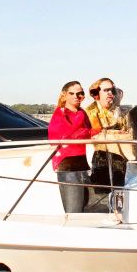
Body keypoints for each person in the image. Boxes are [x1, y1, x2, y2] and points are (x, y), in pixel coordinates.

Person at [46, 81, 93, 213]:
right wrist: (87, 133)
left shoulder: (82, 112)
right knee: (74, 210)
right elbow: (57, 138)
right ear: (64, 95)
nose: (76, 96)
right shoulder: (60, 113)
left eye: (79, 94)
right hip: (68, 165)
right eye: (72, 93)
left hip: (83, 163)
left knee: (84, 208)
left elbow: (88, 132)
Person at [83, 77, 129, 212]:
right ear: (97, 93)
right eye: (106, 90)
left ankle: (119, 215)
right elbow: (97, 134)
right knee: (100, 197)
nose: (110, 93)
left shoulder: (120, 111)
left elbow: (127, 131)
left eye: (112, 90)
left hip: (120, 157)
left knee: (120, 195)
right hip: (100, 156)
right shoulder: (90, 111)